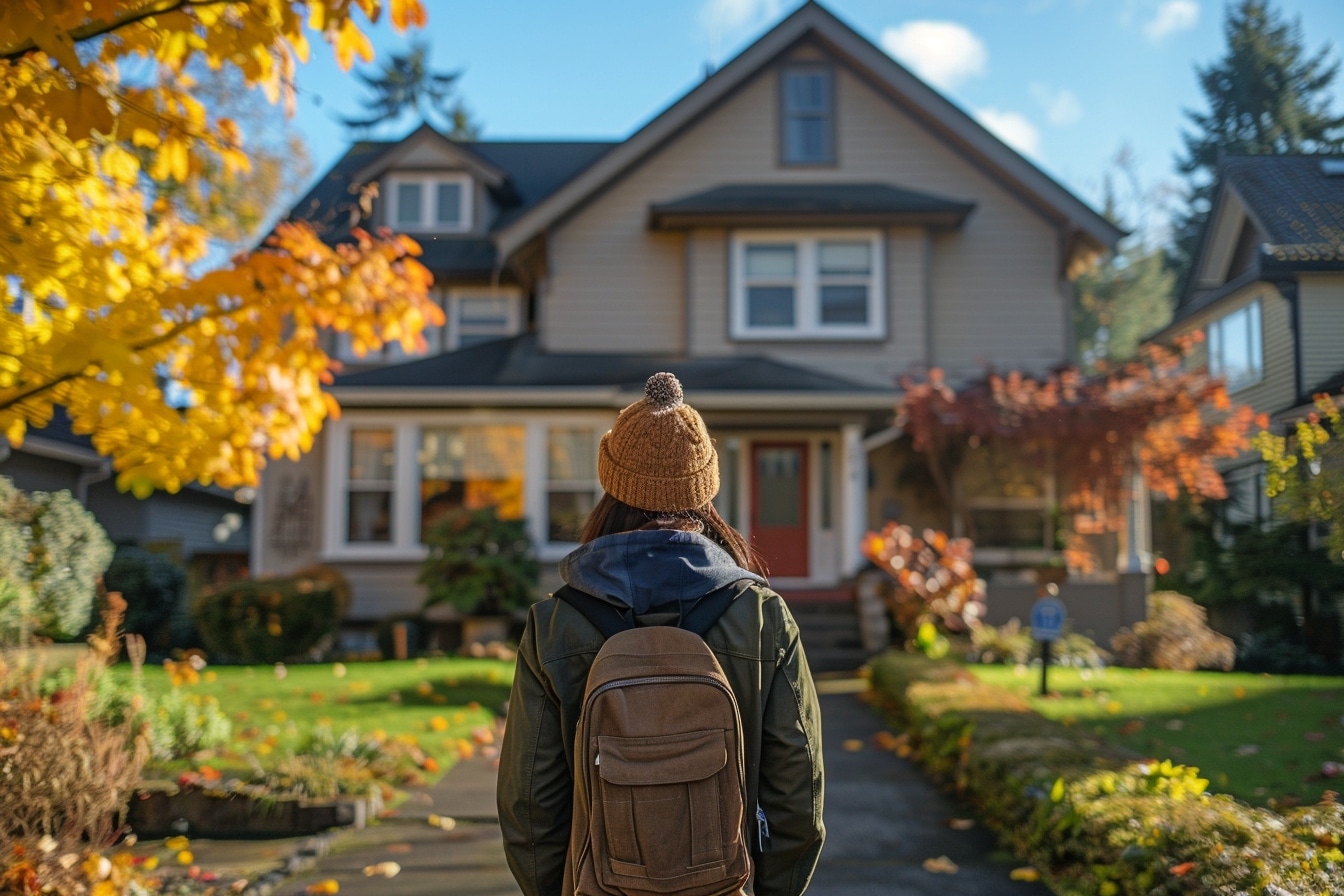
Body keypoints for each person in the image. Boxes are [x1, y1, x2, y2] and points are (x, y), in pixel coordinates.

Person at [497, 372, 826, 896]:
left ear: (612, 488)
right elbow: (798, 798)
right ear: (705, 492)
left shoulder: (555, 624)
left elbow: (529, 806)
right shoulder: (762, 617)